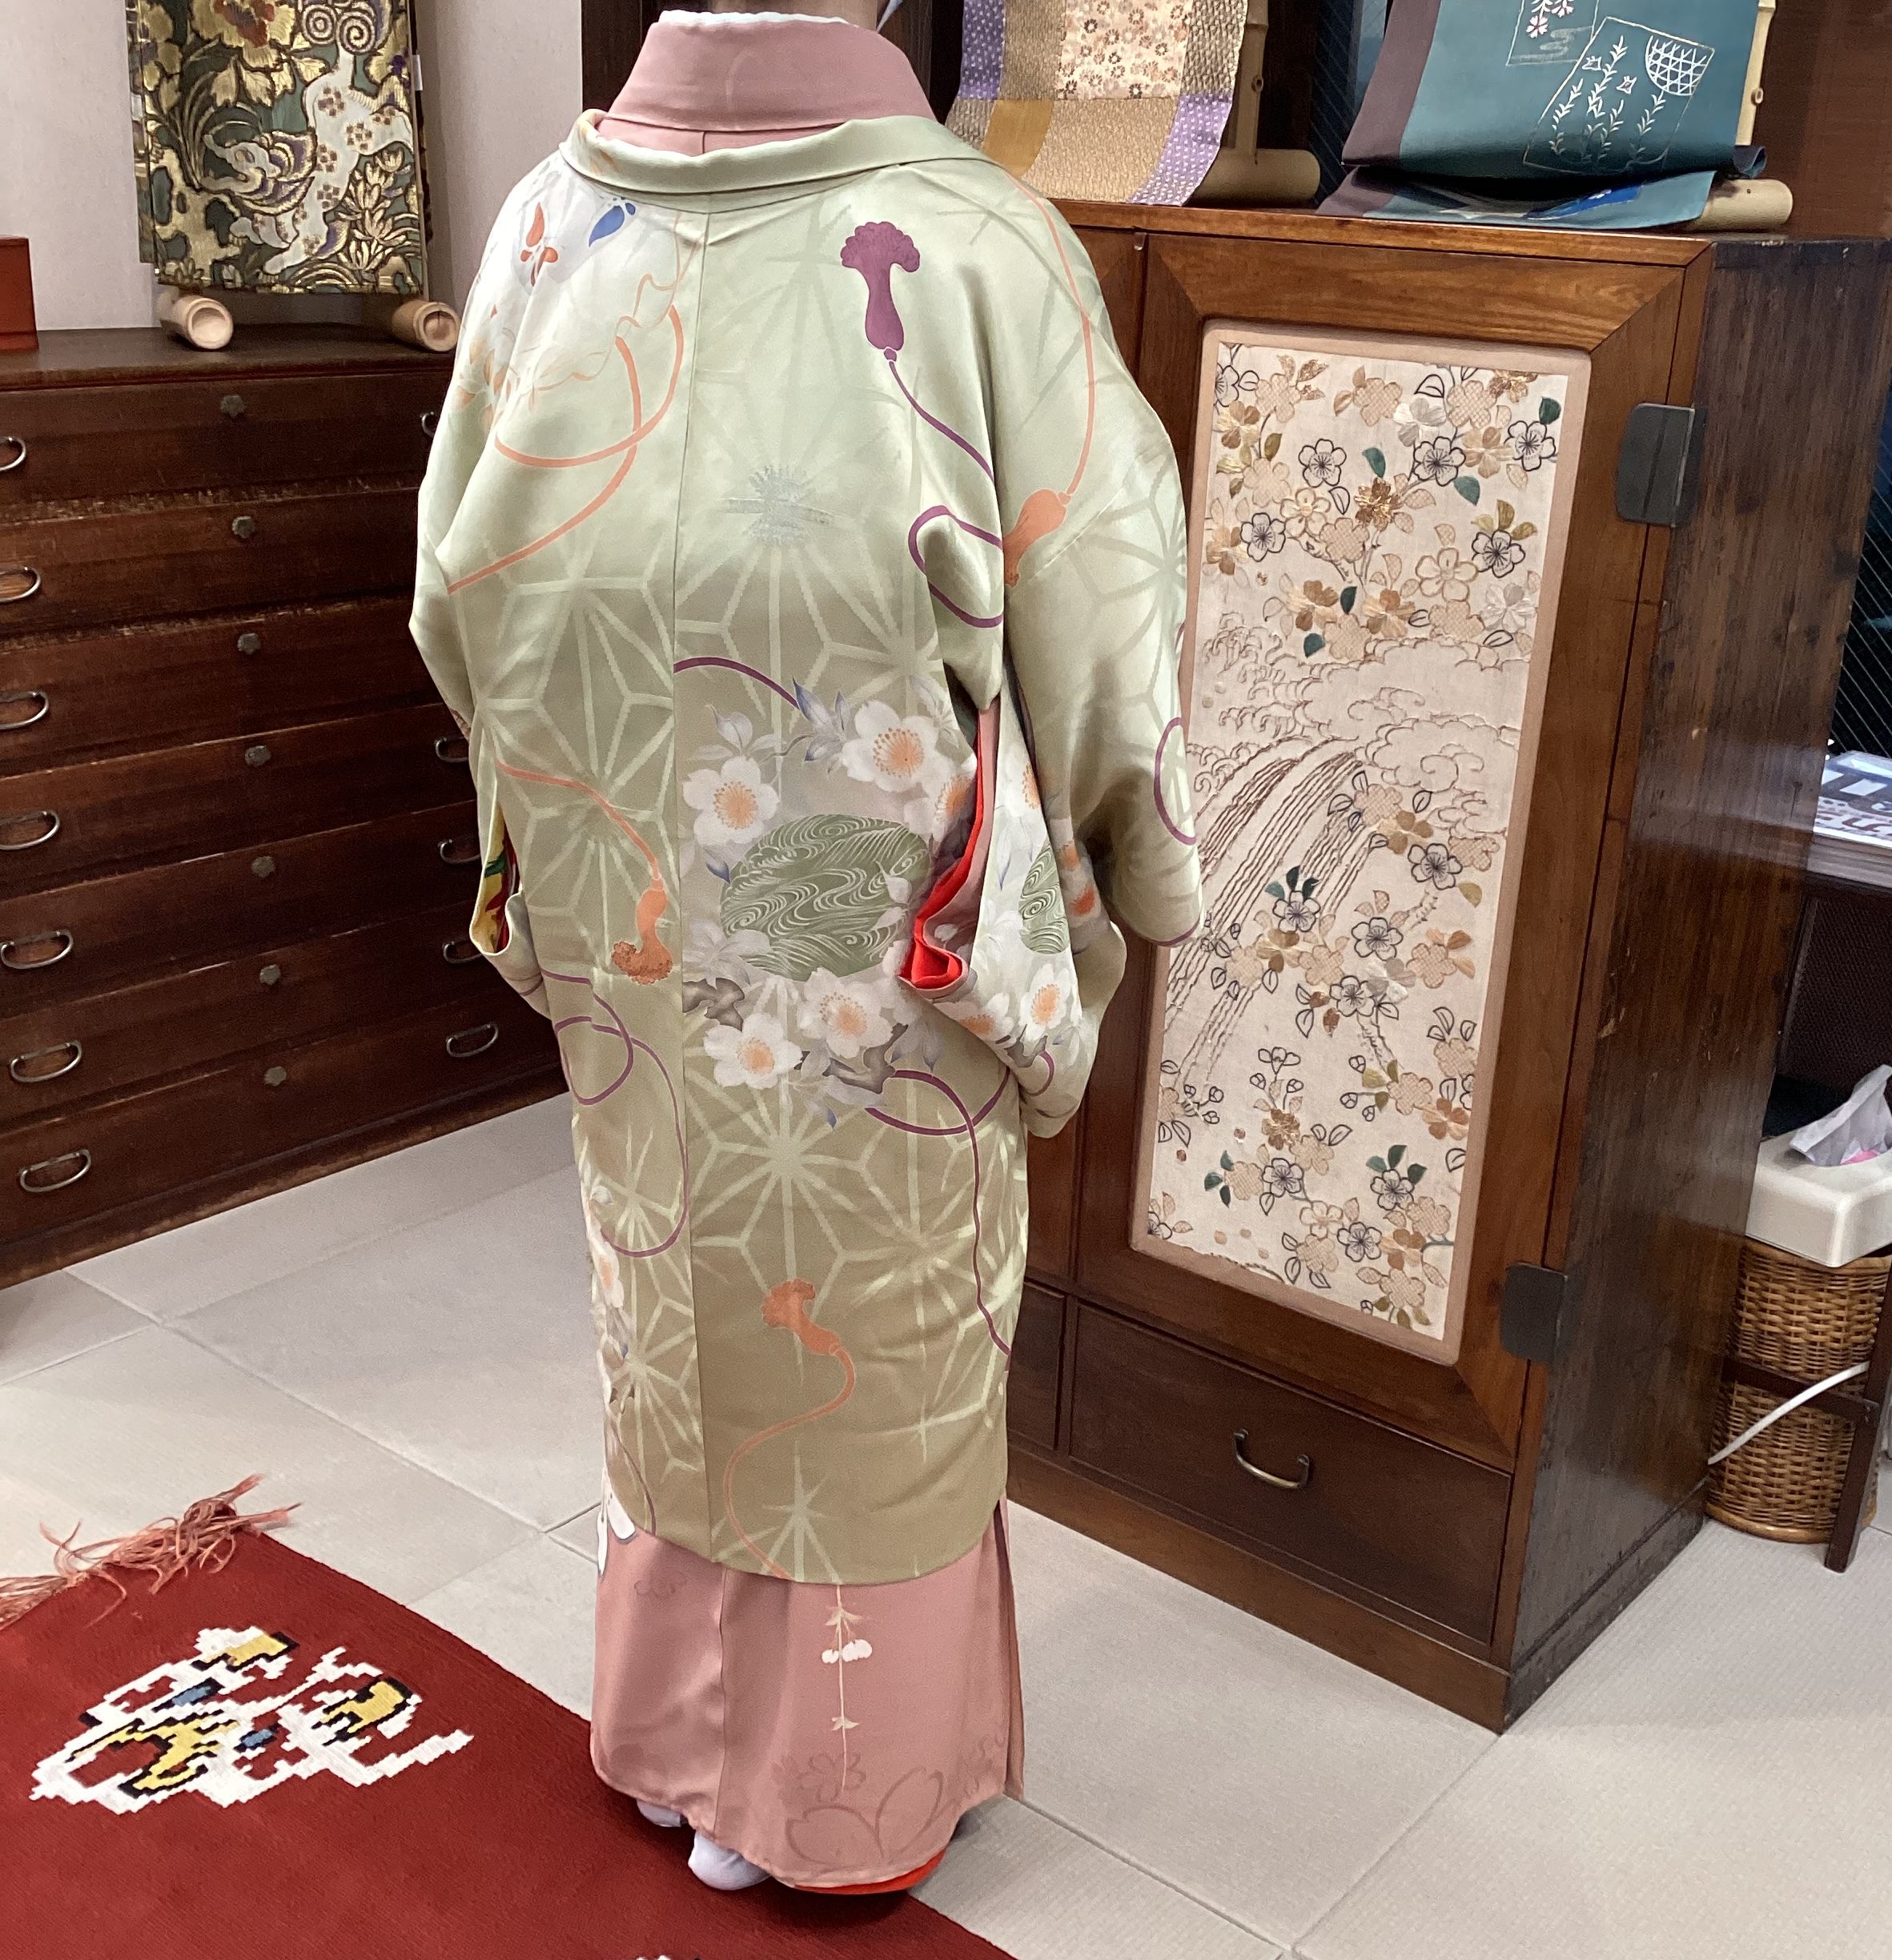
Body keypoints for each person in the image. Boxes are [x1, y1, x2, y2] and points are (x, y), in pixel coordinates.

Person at [412, 0, 1201, 1897]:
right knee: (872, 1323)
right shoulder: (983, 241)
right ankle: (829, 1797)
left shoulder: (547, 221)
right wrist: (1137, 860)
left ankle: (676, 1744)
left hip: (628, 872)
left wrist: (546, 832)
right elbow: (1106, 599)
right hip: (871, 888)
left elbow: (457, 594)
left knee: (676, 1292)